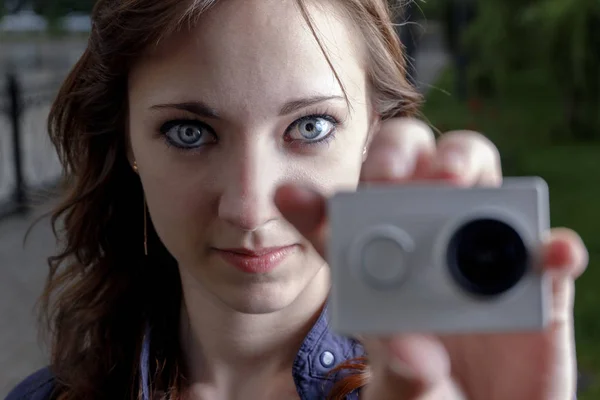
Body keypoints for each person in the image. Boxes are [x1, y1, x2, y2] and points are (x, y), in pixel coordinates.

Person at [6, 0, 588, 399]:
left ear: (375, 130)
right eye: (189, 132)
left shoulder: (444, 384)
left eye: (310, 127)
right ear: (126, 138)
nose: (249, 207)